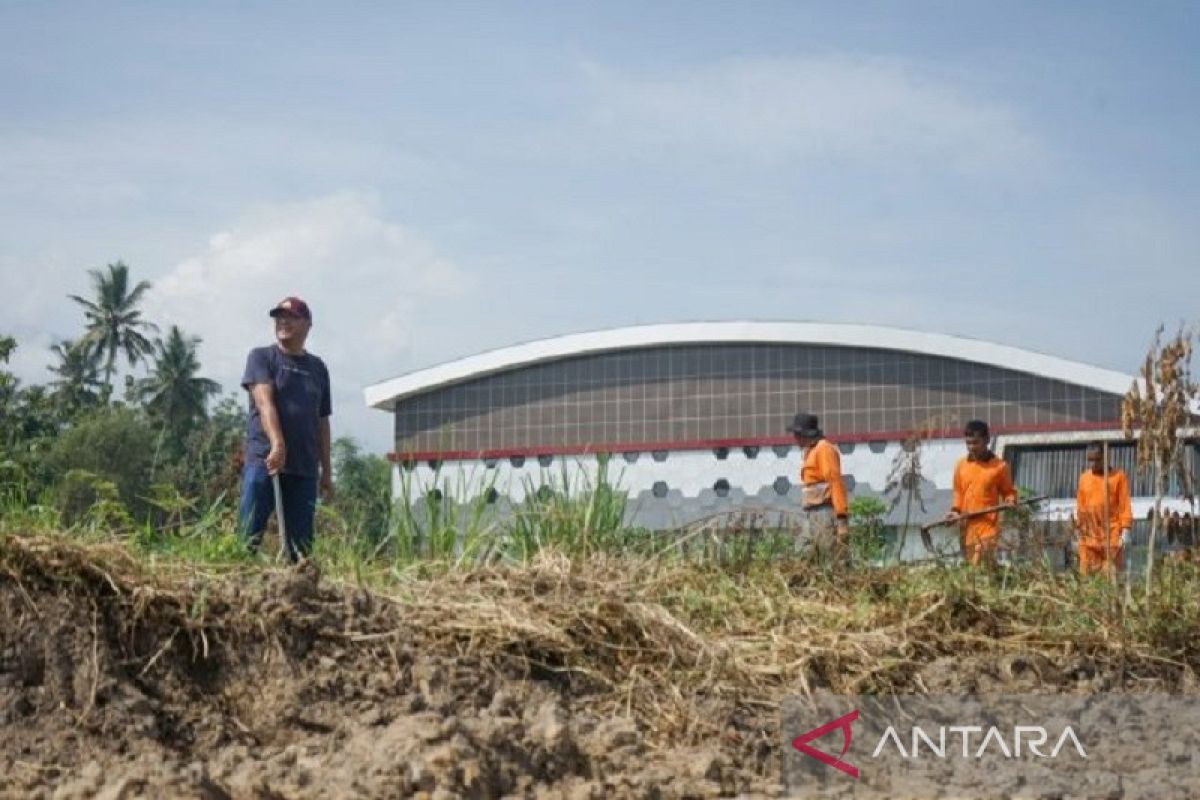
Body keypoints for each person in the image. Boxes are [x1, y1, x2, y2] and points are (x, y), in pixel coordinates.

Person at [238, 296, 332, 562]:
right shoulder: (262, 357)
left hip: (304, 468)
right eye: (279, 317)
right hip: (266, 461)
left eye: (290, 317)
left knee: (300, 549)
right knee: (248, 536)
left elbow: (322, 421)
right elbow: (265, 403)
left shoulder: (318, 368)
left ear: (307, 324)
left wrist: (327, 469)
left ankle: (298, 595)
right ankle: (238, 585)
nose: (283, 321)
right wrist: (278, 443)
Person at [944, 420, 1016, 567]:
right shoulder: (961, 465)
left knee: (978, 562)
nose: (971, 447)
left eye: (975, 443)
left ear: (987, 440)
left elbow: (1008, 492)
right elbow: (958, 492)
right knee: (975, 570)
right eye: (968, 443)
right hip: (967, 526)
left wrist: (1010, 500)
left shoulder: (1000, 467)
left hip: (988, 525)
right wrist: (954, 511)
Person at [788, 413, 849, 565]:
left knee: (833, 558)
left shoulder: (824, 449)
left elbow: (835, 482)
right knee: (803, 556)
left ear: (805, 434)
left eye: (797, 434)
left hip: (825, 513)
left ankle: (843, 585)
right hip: (811, 513)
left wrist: (841, 519)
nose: (795, 439)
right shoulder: (810, 451)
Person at [1074, 442, 1132, 578]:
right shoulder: (1084, 478)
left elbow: (1125, 504)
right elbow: (1080, 507)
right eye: (1090, 460)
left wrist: (1126, 530)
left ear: (1105, 457)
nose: (1093, 464)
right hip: (1089, 537)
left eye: (1096, 460)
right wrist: (1078, 530)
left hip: (1111, 536)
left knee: (1109, 578)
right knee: (1086, 577)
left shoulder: (1118, 477)